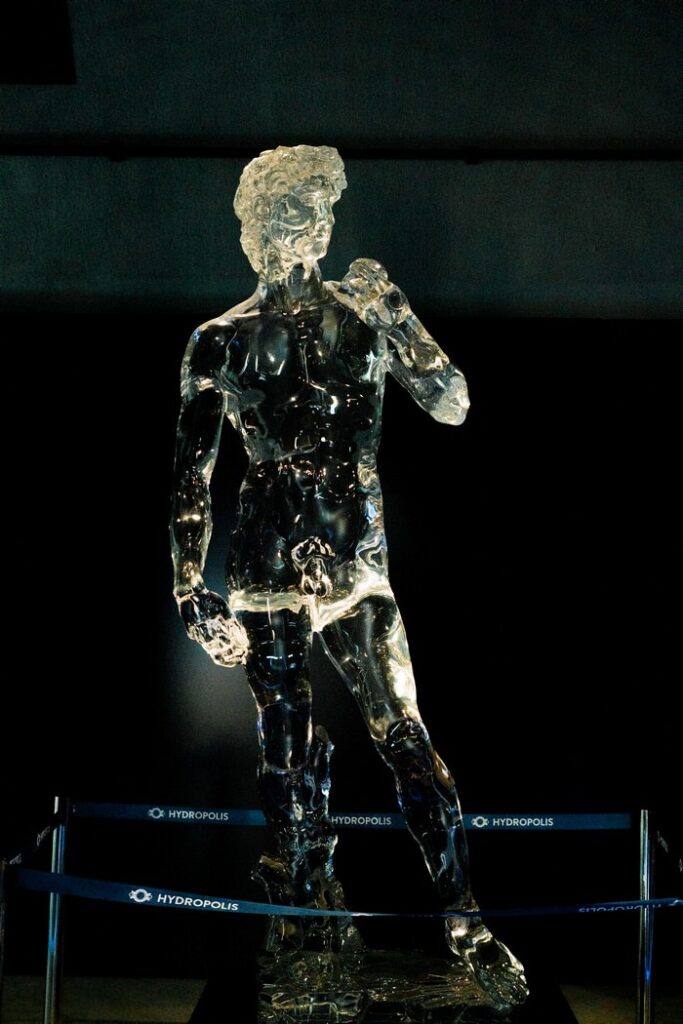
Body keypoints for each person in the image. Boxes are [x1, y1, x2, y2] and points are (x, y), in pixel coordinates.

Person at [170, 145, 527, 1008]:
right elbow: (191, 476)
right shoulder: (220, 340)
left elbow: (451, 404)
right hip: (264, 567)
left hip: (355, 564)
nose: (315, 228)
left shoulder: (363, 314)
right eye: (297, 212)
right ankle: (305, 926)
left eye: (322, 210)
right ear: (260, 227)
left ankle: (465, 922)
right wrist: (189, 585)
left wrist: (399, 317)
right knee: (285, 749)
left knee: (403, 734)